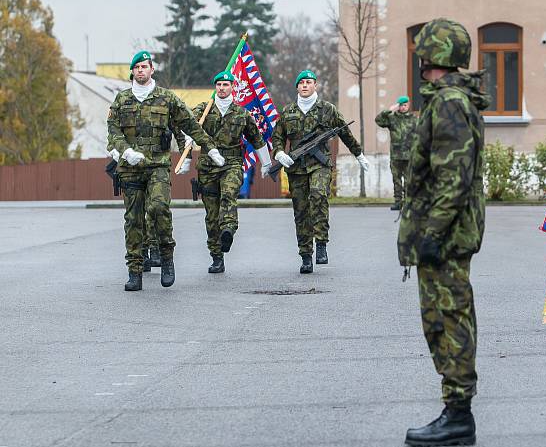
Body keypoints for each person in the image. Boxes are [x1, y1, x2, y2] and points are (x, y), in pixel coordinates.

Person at [398, 18, 487, 447]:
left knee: (448, 319)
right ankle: (455, 410)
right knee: (441, 318)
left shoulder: (449, 102)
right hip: (443, 232)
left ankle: (458, 414)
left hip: (447, 236)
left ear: (433, 56)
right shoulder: (446, 99)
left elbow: (454, 175)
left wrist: (432, 233)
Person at [107, 51, 224, 291]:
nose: (141, 70)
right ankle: (135, 271)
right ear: (132, 71)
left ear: (152, 70)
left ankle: (166, 255)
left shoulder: (166, 99)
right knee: (133, 219)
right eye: (137, 67)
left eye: (145, 66)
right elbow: (113, 132)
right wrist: (126, 151)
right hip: (130, 168)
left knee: (159, 207)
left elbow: (190, 125)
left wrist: (209, 147)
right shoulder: (122, 100)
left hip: (158, 165)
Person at [271, 69, 369, 273]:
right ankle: (306, 255)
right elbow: (277, 137)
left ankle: (321, 243)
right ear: (297, 87)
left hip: (320, 165)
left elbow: (345, 133)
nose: (305, 85)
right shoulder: (288, 111)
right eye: (301, 83)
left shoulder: (328, 109)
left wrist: (358, 154)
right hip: (296, 168)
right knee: (301, 211)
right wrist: (279, 153)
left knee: (318, 195)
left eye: (309, 82)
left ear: (316, 85)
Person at [180, 71, 272, 274]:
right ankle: (217, 256)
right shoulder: (204, 110)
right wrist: (186, 158)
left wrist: (266, 163)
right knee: (211, 215)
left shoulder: (241, 113)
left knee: (229, 194)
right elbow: (187, 130)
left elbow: (256, 139)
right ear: (215, 87)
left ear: (232, 87)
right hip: (207, 166)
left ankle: (229, 229)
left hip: (231, 162)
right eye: (219, 85)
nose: (222, 88)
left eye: (225, 84)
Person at [375, 95, 417, 210]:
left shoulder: (414, 119)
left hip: (409, 155)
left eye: (405, 105)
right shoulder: (392, 118)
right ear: (398, 106)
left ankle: (408, 202)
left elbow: (420, 135)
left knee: (409, 180)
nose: (403, 107)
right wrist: (389, 110)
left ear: (408, 105)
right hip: (396, 155)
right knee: (396, 180)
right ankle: (398, 202)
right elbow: (378, 120)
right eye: (401, 105)